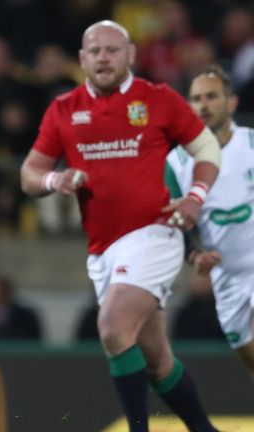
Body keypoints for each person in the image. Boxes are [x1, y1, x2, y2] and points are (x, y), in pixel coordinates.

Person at [20, 20, 220, 432]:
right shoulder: (63, 109)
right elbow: (30, 174)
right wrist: (55, 180)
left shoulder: (158, 100)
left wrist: (196, 197)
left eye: (112, 50)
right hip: (102, 249)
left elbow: (206, 147)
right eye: (95, 51)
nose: (103, 58)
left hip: (154, 233)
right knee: (155, 360)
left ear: (130, 54)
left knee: (112, 325)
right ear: (81, 59)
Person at [166, 65, 254, 375]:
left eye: (212, 97)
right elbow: (176, 226)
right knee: (245, 349)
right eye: (196, 98)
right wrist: (196, 256)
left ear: (231, 103)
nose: (203, 105)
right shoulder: (176, 163)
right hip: (226, 277)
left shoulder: (252, 145)